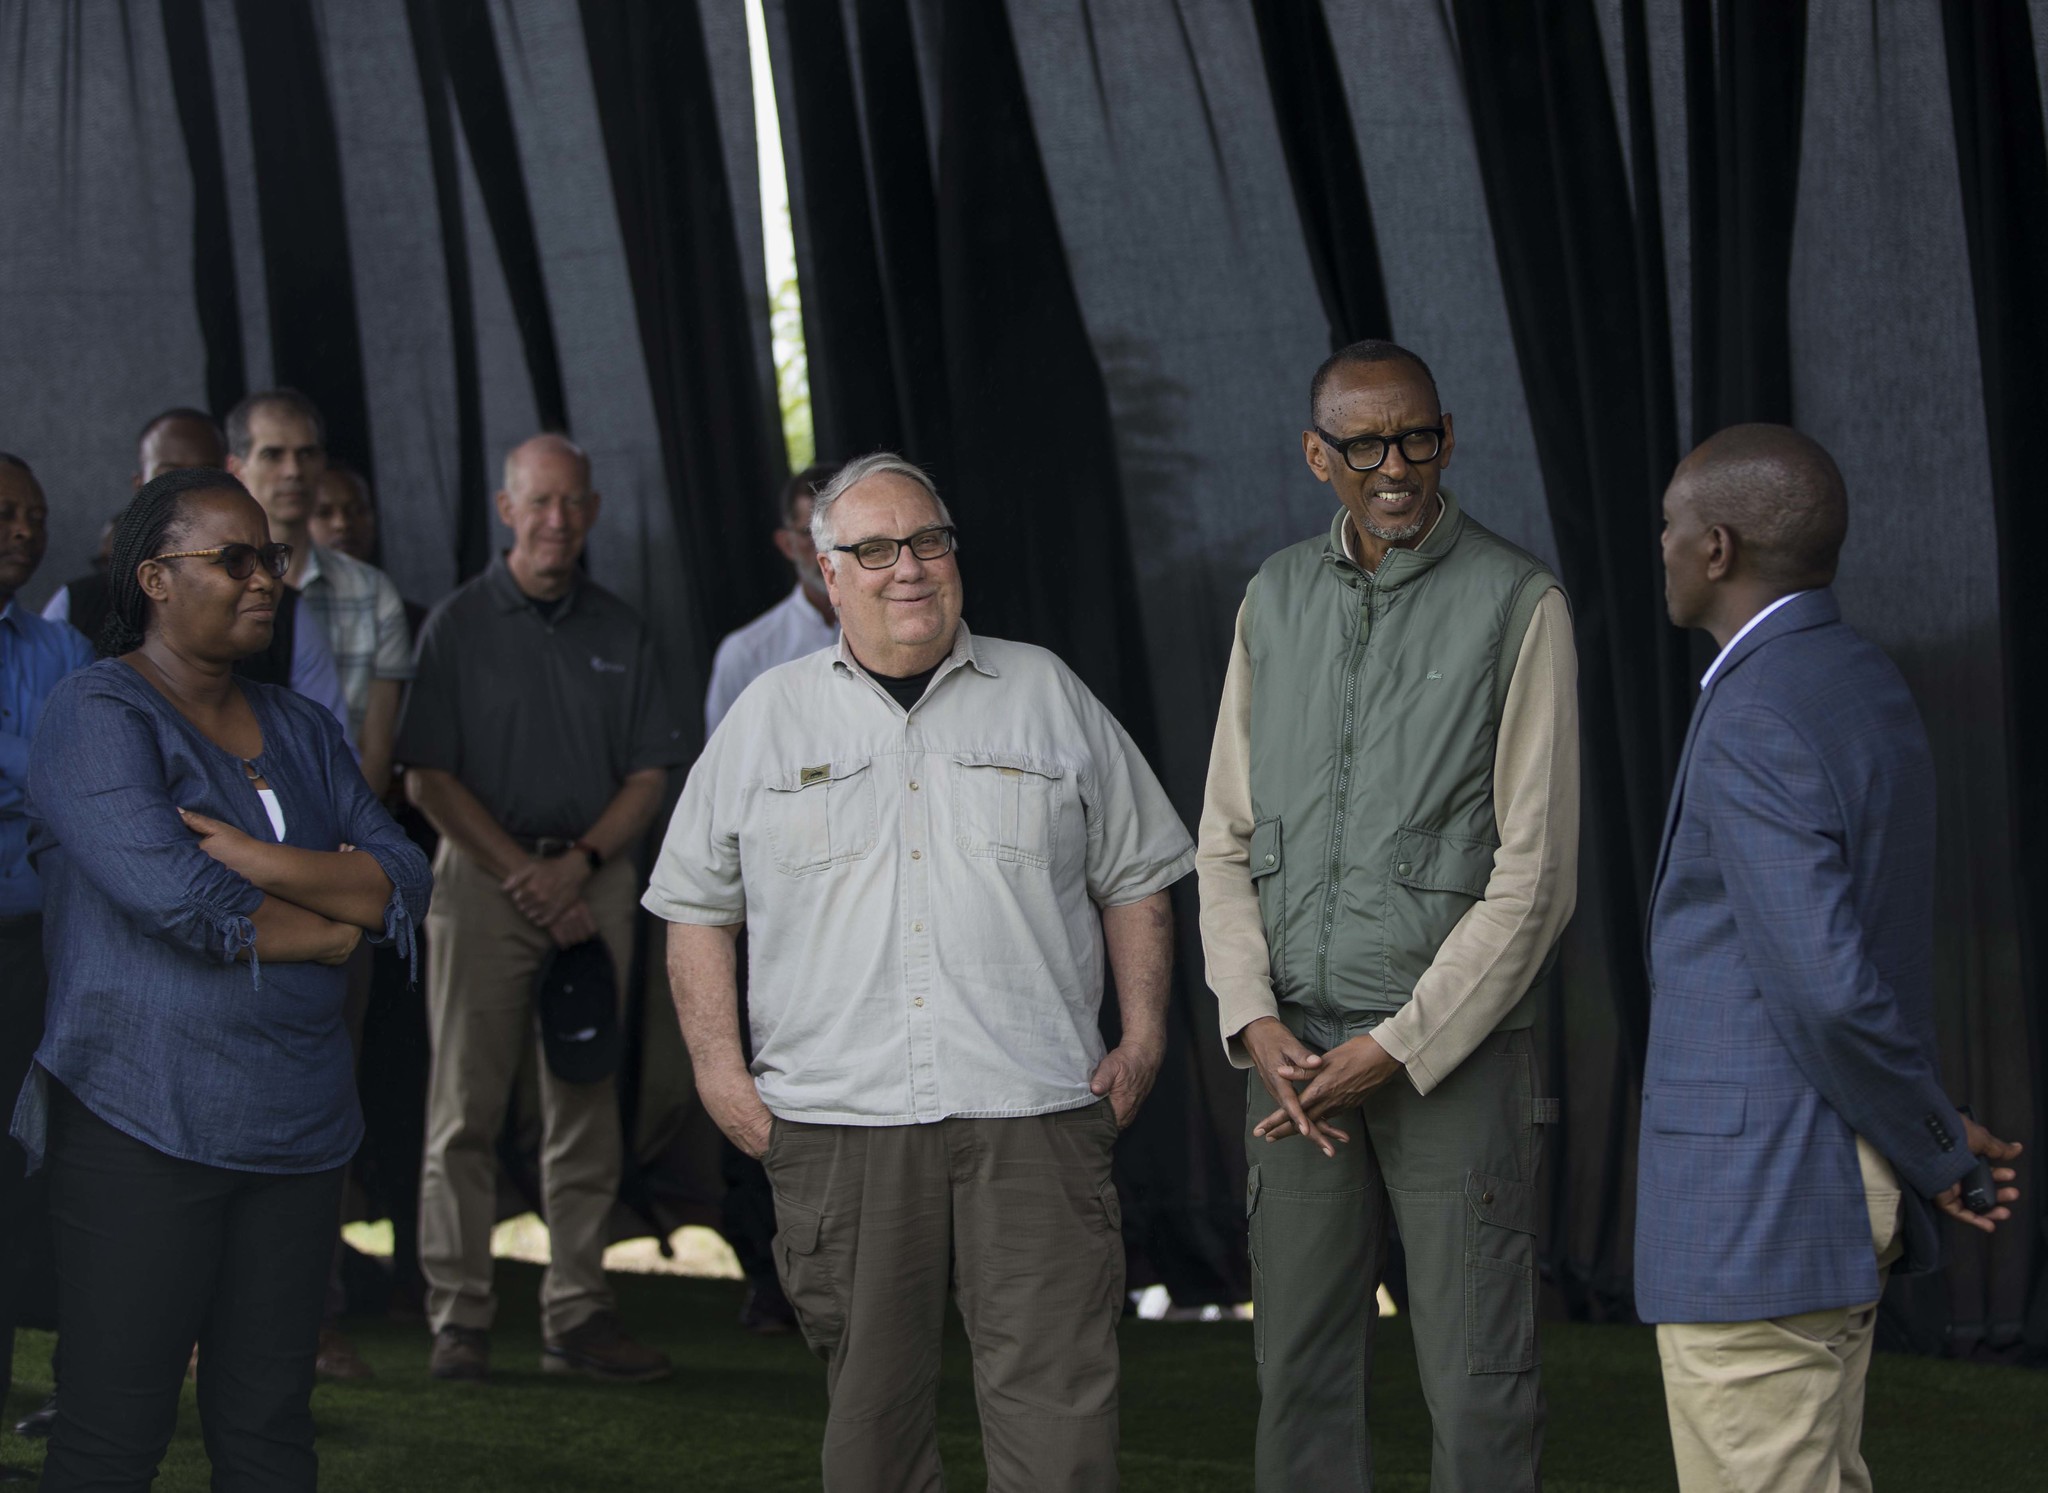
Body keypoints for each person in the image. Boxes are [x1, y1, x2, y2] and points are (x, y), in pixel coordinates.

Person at [649, 453, 1194, 1490]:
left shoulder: (1046, 691)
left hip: (1031, 1107)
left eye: (928, 540)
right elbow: (693, 905)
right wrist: (720, 1075)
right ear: (827, 572)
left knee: (1060, 1423)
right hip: (838, 1125)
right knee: (871, 1434)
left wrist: (1144, 1036)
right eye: (874, 548)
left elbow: (1138, 875)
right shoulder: (765, 714)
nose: (908, 567)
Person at [1196, 339, 1579, 1492]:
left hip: (1446, 1057)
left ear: (1446, 437)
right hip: (1292, 1057)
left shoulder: (1520, 601)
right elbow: (1219, 836)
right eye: (1362, 444)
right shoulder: (1271, 596)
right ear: (1319, 457)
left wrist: (1399, 1044)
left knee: (1477, 1378)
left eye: (1414, 435)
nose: (1394, 464)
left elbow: (1537, 877)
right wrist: (1251, 1018)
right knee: (1298, 1368)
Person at [13, 467, 430, 1492]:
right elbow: (177, 899)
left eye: (271, 559)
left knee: (269, 1428)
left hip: (295, 1126)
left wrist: (263, 863)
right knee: (115, 1428)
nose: (265, 579)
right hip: (140, 1114)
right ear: (153, 577)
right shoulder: (94, 709)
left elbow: (406, 880)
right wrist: (333, 925)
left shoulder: (303, 726)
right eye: (232, 558)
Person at [1639, 423, 2022, 1492]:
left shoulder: (1756, 708)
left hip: (1761, 1206)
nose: (1658, 545)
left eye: (1667, 527)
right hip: (1828, 1191)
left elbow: (1822, 985)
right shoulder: (1854, 676)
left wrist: (1933, 1138)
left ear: (1714, 547)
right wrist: (1921, 1133)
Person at [398, 433, 684, 1383]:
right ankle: (461, 1319)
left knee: (584, 1105)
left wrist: (582, 863)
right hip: (483, 877)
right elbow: (425, 777)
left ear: (592, 511)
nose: (557, 520)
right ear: (506, 507)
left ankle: (578, 1314)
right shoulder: (456, 624)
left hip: (596, 875)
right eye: (540, 502)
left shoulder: (621, 629)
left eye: (573, 503)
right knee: (463, 1110)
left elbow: (650, 774)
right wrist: (524, 869)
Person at [698, 459, 840, 1335]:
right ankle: (769, 1272)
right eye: (812, 527)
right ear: (790, 542)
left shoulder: (924, 631)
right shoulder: (748, 656)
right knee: (766, 1090)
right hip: (782, 918)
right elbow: (719, 808)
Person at [0, 455, 93, 1463]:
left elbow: (87, 780)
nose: (24, 529)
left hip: (52, 950)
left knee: (61, 1167)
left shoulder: (62, 643)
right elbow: (49, 774)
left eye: (34, 515)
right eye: (4, 512)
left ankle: (85, 1391)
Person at [226, 391, 411, 796]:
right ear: (236, 468)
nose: (294, 470)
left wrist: (349, 839)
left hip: (346, 820)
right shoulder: (213, 585)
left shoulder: (373, 592)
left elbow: (377, 751)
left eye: (306, 454)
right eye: (274, 454)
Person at [702, 460, 841, 734]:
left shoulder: (900, 628)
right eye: (811, 533)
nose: (827, 548)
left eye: (839, 531)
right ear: (787, 544)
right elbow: (724, 768)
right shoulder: (746, 654)